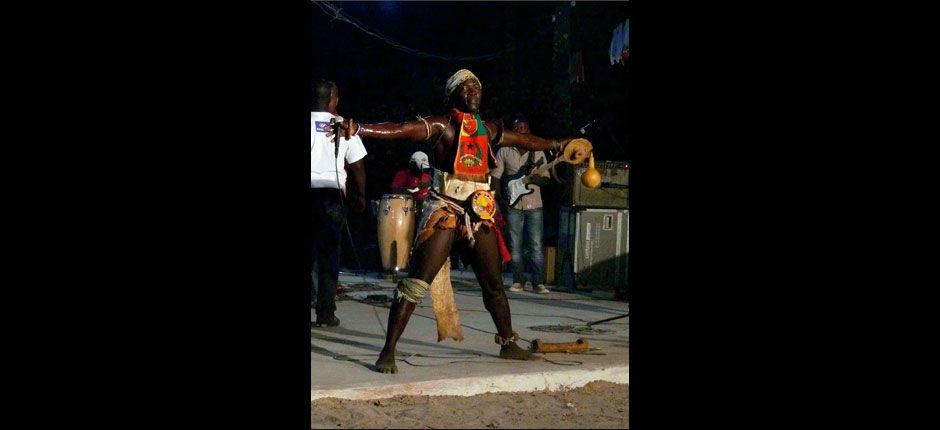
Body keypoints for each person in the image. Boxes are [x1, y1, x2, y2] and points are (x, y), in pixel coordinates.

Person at [330, 69, 578, 374]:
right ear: (453, 94)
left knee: (494, 285)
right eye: (466, 87)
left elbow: (524, 140)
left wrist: (556, 143)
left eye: (477, 87)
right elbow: (400, 129)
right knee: (416, 283)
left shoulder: (486, 129)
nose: (474, 91)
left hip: (479, 212)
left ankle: (508, 342)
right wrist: (361, 129)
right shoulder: (440, 125)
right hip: (446, 210)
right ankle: (388, 350)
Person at [311, 79, 367, 328]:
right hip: (331, 196)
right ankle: (325, 313)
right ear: (332, 98)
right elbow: (357, 165)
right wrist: (361, 195)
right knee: (329, 255)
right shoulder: (344, 126)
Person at [490, 114, 551, 294]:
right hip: (512, 204)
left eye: (522, 128)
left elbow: (546, 180)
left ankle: (538, 282)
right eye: (516, 128)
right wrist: (500, 200)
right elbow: (495, 177)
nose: (519, 131)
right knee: (515, 244)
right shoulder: (504, 150)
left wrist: (534, 178)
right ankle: (518, 281)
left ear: (529, 131)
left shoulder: (538, 152)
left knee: (535, 244)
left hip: (534, 204)